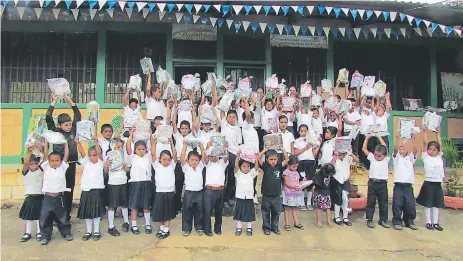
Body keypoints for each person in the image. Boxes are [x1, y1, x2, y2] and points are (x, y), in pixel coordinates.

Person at [46, 93, 81, 221]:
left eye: (70, 124)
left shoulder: (73, 131)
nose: (68, 127)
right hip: (58, 166)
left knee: (69, 190)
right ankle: (55, 215)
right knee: (57, 190)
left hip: (71, 164)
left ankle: (66, 216)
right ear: (60, 125)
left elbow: (77, 115)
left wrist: (70, 100)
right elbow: (48, 117)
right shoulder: (55, 133)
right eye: (65, 125)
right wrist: (54, 102)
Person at [39, 140, 73, 245]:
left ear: (61, 161)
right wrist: (46, 143)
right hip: (48, 198)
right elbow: (45, 155)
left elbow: (66, 155)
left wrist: (65, 143)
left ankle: (66, 233)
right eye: (52, 160)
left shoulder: (62, 167)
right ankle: (45, 236)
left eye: (57, 160)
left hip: (59, 198)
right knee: (45, 217)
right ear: (49, 162)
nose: (54, 162)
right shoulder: (46, 167)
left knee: (62, 217)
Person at [76, 137, 105, 241]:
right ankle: (88, 231)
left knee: (96, 213)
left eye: (95, 155)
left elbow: (99, 152)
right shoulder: (86, 162)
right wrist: (78, 142)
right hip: (86, 191)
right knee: (88, 213)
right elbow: (82, 152)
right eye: (90, 155)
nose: (93, 157)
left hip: (96, 191)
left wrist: (96, 143)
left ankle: (96, 231)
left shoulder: (100, 162)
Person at [126, 129, 154, 235]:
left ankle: (147, 224)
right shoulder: (133, 157)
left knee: (146, 206)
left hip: (146, 182)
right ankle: (134, 225)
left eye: (143, 149)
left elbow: (152, 146)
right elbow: (128, 147)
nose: (141, 151)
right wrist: (131, 135)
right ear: (135, 150)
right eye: (138, 149)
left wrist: (151, 135)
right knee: (134, 206)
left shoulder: (148, 157)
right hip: (135, 183)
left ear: (146, 150)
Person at [416, 127, 445, 231]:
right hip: (428, 183)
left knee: (436, 204)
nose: (431, 151)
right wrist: (424, 133)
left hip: (437, 184)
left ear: (438, 151)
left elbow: (440, 144)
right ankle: (428, 222)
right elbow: (425, 143)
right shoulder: (426, 157)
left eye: (434, 150)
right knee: (428, 204)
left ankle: (436, 222)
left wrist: (438, 133)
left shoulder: (439, 157)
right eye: (430, 149)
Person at [151, 136, 177, 239]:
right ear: (160, 159)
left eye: (168, 159)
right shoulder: (157, 166)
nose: (166, 161)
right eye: (164, 159)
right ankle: (161, 228)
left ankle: (166, 229)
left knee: (168, 212)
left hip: (169, 192)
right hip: (159, 192)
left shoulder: (172, 166)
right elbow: (153, 154)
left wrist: (171, 143)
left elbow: (175, 154)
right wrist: (154, 143)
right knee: (161, 212)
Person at [258, 148, 289, 235]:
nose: (273, 161)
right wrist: (265, 150)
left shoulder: (279, 166)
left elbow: (287, 159)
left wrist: (282, 149)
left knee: (276, 212)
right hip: (266, 195)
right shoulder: (265, 166)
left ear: (277, 159)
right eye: (271, 159)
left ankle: (275, 227)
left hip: (276, 195)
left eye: (275, 159)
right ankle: (266, 228)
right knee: (265, 212)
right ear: (267, 159)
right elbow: (259, 158)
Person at [104, 138, 131, 236]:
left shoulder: (125, 156)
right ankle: (111, 226)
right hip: (113, 183)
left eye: (121, 147)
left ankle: (126, 222)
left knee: (124, 204)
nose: (120, 149)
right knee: (112, 205)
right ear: (112, 146)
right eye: (118, 147)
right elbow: (106, 171)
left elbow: (128, 169)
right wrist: (107, 165)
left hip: (123, 181)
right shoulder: (109, 156)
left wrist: (126, 168)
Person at [362, 135, 390, 229]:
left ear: (385, 155)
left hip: (382, 184)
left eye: (379, 156)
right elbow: (364, 149)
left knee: (383, 203)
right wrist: (367, 138)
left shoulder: (386, 159)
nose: (377, 157)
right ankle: (369, 219)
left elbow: (384, 146)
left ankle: (383, 220)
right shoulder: (372, 158)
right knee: (371, 202)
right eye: (375, 155)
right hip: (372, 183)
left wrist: (379, 136)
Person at [392, 134, 418, 231]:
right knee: (397, 204)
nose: (401, 151)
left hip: (408, 186)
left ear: (407, 150)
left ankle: (409, 221)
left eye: (403, 149)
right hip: (398, 185)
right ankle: (397, 221)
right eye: (400, 149)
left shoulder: (410, 158)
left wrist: (413, 139)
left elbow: (415, 150)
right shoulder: (396, 158)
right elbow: (395, 149)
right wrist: (398, 139)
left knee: (410, 204)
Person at [180, 142, 207, 237]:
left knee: (199, 210)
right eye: (192, 160)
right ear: (188, 160)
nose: (194, 162)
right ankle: (186, 228)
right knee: (187, 211)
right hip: (189, 193)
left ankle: (199, 227)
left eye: (196, 160)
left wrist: (201, 147)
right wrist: (184, 146)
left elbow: (203, 157)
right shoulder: (186, 168)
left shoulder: (200, 166)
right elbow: (182, 157)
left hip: (199, 192)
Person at [293, 124, 321, 211]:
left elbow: (314, 153)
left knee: (310, 182)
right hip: (301, 162)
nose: (304, 133)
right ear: (299, 132)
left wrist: (319, 143)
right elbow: (296, 153)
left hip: (311, 162)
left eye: (305, 131)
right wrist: (306, 147)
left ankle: (309, 202)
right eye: (302, 131)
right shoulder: (297, 141)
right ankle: (301, 202)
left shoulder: (311, 140)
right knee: (302, 182)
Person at [19, 147, 44, 242]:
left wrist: (43, 147)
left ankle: (39, 232)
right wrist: (29, 151)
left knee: (39, 217)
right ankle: (27, 232)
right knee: (29, 217)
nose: (34, 166)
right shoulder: (26, 172)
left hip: (40, 197)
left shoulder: (40, 170)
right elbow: (25, 162)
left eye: (35, 163)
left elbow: (44, 159)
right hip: (30, 197)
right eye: (31, 164)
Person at [233, 150, 260, 236]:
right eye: (244, 166)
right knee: (239, 213)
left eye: (248, 166)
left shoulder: (251, 174)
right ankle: (239, 227)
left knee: (249, 213)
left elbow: (256, 167)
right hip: (240, 197)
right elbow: (236, 165)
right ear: (240, 167)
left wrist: (256, 158)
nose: (246, 168)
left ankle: (249, 227)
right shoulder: (238, 174)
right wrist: (238, 156)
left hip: (249, 197)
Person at [203, 146, 229, 237]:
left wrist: (225, 148)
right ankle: (207, 229)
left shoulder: (222, 163)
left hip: (220, 190)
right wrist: (208, 148)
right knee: (207, 211)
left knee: (219, 211)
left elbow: (226, 157)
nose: (213, 157)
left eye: (215, 155)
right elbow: (204, 157)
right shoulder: (207, 163)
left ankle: (217, 229)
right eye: (211, 155)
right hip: (209, 190)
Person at [220, 110, 243, 204]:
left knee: (232, 177)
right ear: (227, 118)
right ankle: (222, 197)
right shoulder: (224, 126)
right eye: (230, 117)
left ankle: (230, 196)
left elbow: (239, 143)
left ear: (236, 118)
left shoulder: (238, 129)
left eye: (233, 117)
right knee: (223, 175)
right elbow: (222, 111)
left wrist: (238, 155)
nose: (231, 119)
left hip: (234, 153)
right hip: (224, 153)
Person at [331, 150, 358, 226]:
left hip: (345, 181)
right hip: (337, 180)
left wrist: (350, 152)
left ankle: (345, 217)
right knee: (338, 199)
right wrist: (336, 156)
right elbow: (331, 165)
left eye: (342, 154)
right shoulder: (335, 158)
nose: (341, 155)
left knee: (345, 199)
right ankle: (336, 217)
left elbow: (356, 160)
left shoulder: (348, 158)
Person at [282, 156, 304, 231]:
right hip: (289, 193)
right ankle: (287, 224)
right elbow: (287, 183)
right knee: (287, 208)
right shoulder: (286, 172)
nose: (295, 168)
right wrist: (294, 187)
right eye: (293, 166)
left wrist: (303, 183)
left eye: (296, 166)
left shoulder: (296, 172)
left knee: (295, 208)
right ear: (288, 165)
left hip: (296, 193)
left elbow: (298, 181)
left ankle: (296, 222)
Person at [313, 163, 336, 228]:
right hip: (320, 193)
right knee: (319, 208)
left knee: (328, 207)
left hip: (327, 193)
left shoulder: (330, 176)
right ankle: (318, 222)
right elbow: (316, 183)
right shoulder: (318, 175)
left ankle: (329, 221)